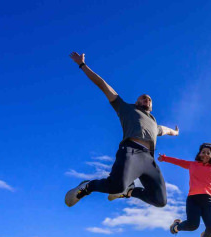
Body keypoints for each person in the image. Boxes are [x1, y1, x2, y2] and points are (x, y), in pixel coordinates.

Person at [64, 52, 179, 208]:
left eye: (150, 99)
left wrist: (175, 132)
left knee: (160, 200)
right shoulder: (125, 108)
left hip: (149, 160)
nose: (147, 99)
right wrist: (82, 65)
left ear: (151, 107)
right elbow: (103, 85)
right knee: (115, 185)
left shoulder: (154, 123)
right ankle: (88, 186)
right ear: (136, 101)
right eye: (143, 97)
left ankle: (129, 192)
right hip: (131, 151)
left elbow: (166, 130)